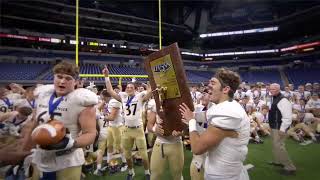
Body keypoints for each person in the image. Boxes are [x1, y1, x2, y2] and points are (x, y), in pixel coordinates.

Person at [31, 61, 98, 180]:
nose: (62, 81)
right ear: (54, 77)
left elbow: (91, 134)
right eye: (59, 77)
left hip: (67, 160)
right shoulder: (43, 95)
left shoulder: (81, 99)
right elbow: (34, 124)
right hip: (41, 156)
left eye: (68, 78)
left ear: (76, 82)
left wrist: (72, 143)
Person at [180, 68, 250, 180]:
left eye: (213, 83)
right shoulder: (225, 106)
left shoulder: (228, 111)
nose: (208, 86)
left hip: (224, 176)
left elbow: (197, 148)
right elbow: (206, 115)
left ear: (226, 89)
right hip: (225, 171)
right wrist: (192, 115)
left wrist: (191, 121)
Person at [103, 66, 153, 180]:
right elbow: (110, 91)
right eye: (128, 87)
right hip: (127, 129)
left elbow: (150, 92)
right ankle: (131, 172)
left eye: (131, 87)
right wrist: (106, 77)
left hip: (138, 129)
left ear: (135, 89)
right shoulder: (123, 97)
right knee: (127, 155)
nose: (129, 88)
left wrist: (149, 82)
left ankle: (147, 172)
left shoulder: (140, 97)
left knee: (144, 155)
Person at [147, 98, 184, 180]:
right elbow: (149, 125)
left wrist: (181, 132)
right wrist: (154, 129)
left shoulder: (180, 103)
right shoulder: (155, 104)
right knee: (155, 175)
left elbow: (187, 127)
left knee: (177, 175)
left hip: (176, 143)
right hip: (160, 143)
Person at [267, 83, 296, 175]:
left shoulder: (283, 100)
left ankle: (290, 167)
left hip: (279, 128)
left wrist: (282, 129)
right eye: (270, 89)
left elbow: (287, 117)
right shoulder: (275, 98)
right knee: (276, 146)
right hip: (274, 126)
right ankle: (278, 161)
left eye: (274, 89)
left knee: (279, 146)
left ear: (279, 89)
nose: (271, 91)